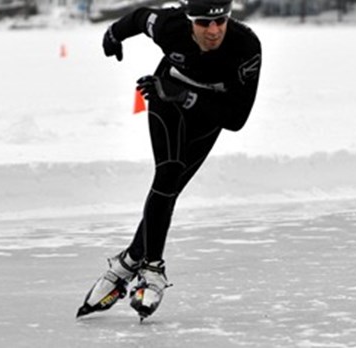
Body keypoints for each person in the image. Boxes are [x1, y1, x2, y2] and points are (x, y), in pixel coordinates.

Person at [77, 0, 262, 320]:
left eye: (221, 21)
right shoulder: (168, 25)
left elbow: (236, 119)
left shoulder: (245, 45)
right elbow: (138, 17)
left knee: (171, 188)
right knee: (167, 174)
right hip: (165, 95)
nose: (214, 30)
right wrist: (112, 34)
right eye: (204, 23)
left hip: (209, 111)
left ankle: (128, 261)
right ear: (189, 20)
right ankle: (152, 269)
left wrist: (187, 96)